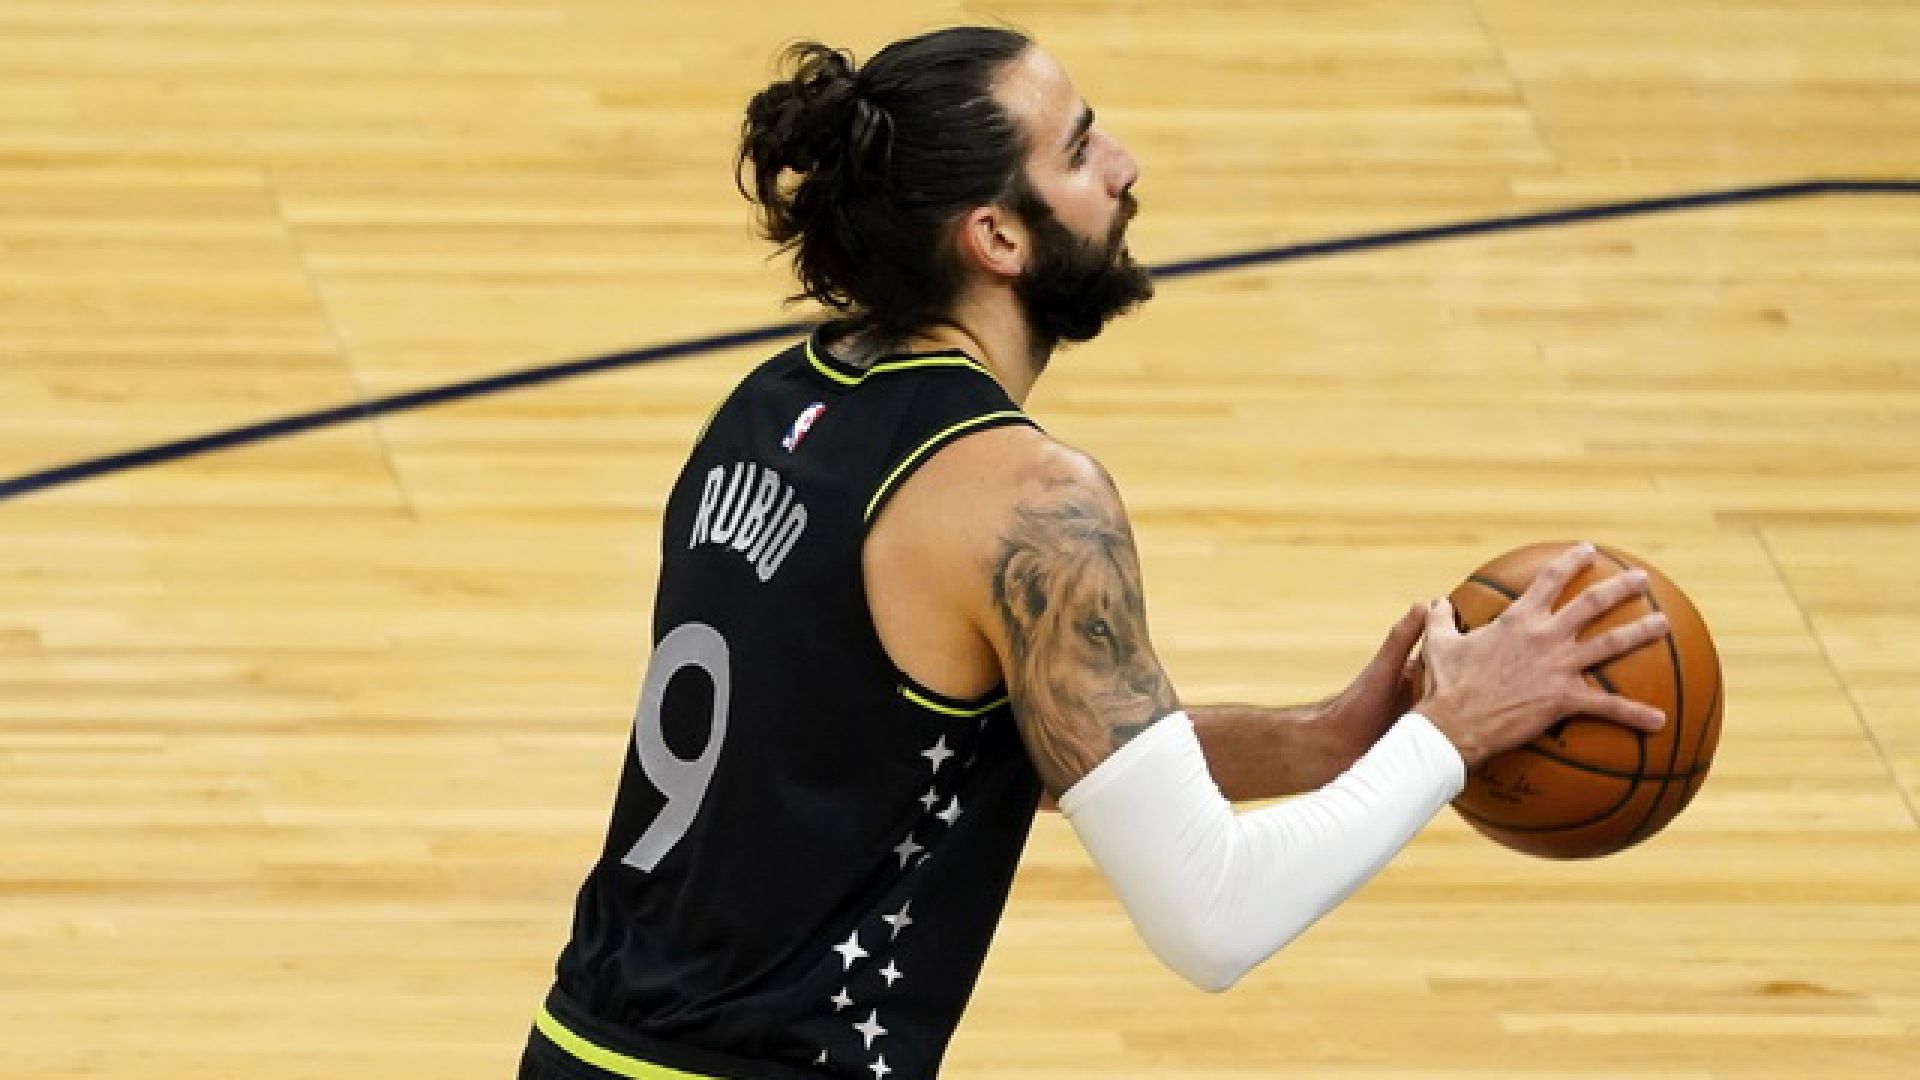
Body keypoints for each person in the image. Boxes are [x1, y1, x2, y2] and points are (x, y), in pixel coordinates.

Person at [518, 25, 1669, 1080]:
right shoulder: (1029, 502)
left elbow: (920, 755)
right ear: (997, 235)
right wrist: (1447, 738)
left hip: (578, 1044)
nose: (1123, 165)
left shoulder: (770, 409)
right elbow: (1213, 918)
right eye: (1078, 149)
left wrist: (1323, 744)